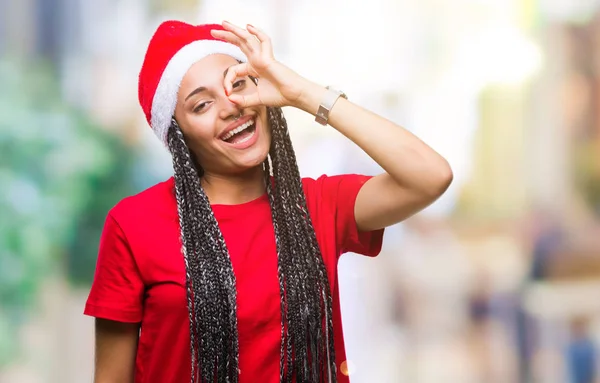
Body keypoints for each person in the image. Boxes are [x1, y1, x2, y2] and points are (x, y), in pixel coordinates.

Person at [84, 20, 453, 383]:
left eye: (238, 84)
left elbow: (429, 176)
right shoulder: (133, 224)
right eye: (201, 105)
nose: (231, 106)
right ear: (178, 135)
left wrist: (302, 93)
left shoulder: (316, 206)